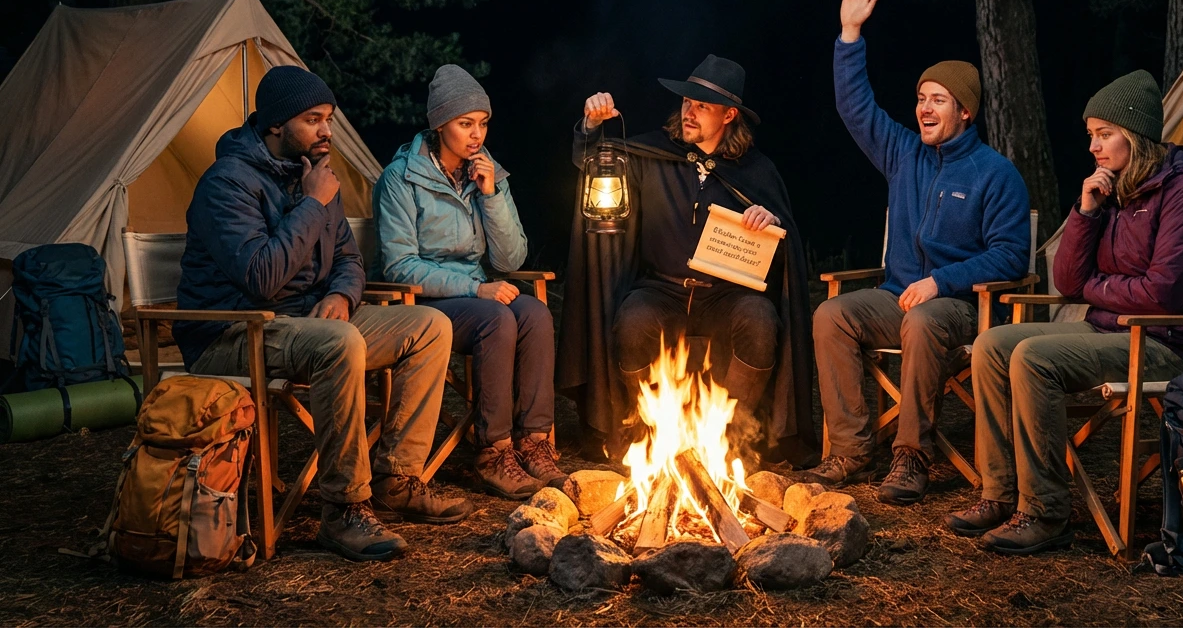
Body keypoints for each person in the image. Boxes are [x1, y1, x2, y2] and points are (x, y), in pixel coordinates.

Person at [175, 66, 471, 563]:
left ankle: (397, 477)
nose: (326, 131)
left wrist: (342, 298)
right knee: (340, 343)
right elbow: (262, 278)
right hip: (234, 330)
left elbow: (349, 260)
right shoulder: (227, 184)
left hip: (309, 320)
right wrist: (313, 203)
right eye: (313, 120)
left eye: (328, 119)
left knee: (430, 326)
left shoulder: (315, 173)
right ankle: (344, 509)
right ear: (276, 123)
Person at [946, 70, 1183, 555]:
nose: (1093, 146)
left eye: (1104, 134)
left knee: (1033, 358)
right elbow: (1070, 282)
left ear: (1134, 135)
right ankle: (999, 493)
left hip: (1169, 344)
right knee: (991, 345)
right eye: (1091, 135)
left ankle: (1045, 512)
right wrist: (1087, 210)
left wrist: (1101, 292)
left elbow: (1163, 293)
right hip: (1114, 332)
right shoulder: (1114, 190)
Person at [802, 0, 1031, 506]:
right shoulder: (904, 153)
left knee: (924, 319)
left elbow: (1011, 256)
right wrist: (850, 36)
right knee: (831, 314)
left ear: (965, 111)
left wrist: (940, 281)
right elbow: (856, 108)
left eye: (939, 100)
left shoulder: (995, 174)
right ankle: (851, 449)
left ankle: (912, 456)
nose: (925, 108)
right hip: (899, 297)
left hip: (962, 307)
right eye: (922, 98)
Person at [556, 55, 818, 468]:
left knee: (760, 322)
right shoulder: (652, 154)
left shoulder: (756, 170)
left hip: (726, 296)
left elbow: (784, 248)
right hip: (661, 289)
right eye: (686, 102)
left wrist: (771, 224)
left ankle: (729, 441)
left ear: (729, 115)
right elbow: (594, 164)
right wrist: (590, 126)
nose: (689, 112)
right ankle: (652, 433)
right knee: (633, 322)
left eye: (702, 106)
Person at [373, 64, 562, 501]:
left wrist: (491, 195)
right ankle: (493, 450)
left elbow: (511, 259)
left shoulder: (487, 172)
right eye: (465, 124)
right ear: (440, 124)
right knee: (497, 318)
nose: (477, 135)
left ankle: (534, 442)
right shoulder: (401, 178)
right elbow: (400, 266)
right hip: (424, 304)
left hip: (479, 295)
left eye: (483, 123)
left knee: (535, 313)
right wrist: (475, 289)